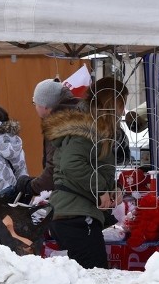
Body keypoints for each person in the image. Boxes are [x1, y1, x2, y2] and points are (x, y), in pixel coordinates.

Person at [44, 76, 127, 269]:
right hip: (75, 217)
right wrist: (100, 189)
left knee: (89, 279)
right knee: (94, 278)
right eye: (122, 103)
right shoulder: (87, 127)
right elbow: (71, 164)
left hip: (76, 214)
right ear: (111, 103)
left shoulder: (94, 127)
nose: (123, 111)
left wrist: (114, 188)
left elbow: (93, 166)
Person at [6, 78, 80, 200]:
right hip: (76, 193)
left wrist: (32, 186)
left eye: (35, 103)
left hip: (68, 197)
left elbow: (54, 169)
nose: (34, 107)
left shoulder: (58, 126)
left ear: (45, 106)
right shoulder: (73, 117)